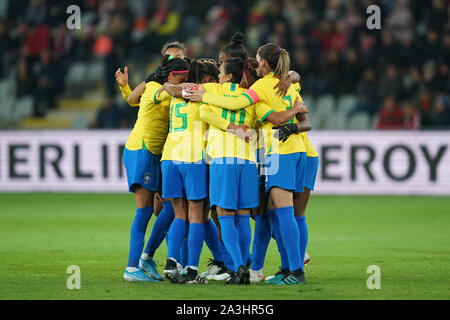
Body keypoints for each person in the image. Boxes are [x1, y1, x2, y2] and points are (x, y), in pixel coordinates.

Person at [185, 43, 309, 285]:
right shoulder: (289, 83)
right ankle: (278, 266)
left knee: (273, 214)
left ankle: (286, 268)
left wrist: (206, 97)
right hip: (286, 152)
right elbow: (300, 115)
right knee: (263, 215)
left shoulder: (258, 88)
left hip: (273, 151)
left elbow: (239, 106)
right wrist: (293, 106)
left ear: (263, 63)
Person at [118, 56, 187, 282]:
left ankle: (146, 257)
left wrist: (125, 87)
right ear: (169, 75)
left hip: (156, 154)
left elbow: (130, 99)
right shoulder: (156, 88)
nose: (184, 79)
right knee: (145, 210)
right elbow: (160, 95)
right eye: (180, 76)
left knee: (170, 206)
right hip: (142, 150)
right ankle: (131, 268)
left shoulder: (162, 86)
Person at [159, 59, 219, 284]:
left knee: (178, 214)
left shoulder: (176, 93)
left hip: (169, 156)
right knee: (197, 216)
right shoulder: (202, 91)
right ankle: (192, 270)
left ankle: (172, 260)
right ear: (206, 78)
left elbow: (170, 88)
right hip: (194, 157)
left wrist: (166, 85)